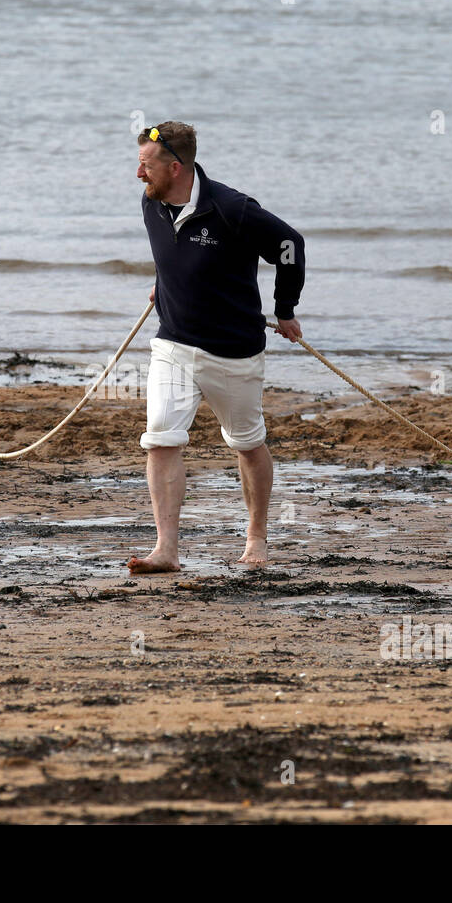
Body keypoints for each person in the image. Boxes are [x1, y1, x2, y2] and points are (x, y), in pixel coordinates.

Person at [128, 121, 304, 574]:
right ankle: (166, 549)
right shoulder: (151, 203)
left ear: (176, 166)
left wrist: (284, 309)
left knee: (247, 444)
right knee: (161, 440)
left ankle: (257, 536)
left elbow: (289, 244)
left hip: (234, 351)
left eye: (146, 165)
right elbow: (176, 252)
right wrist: (163, 283)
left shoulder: (232, 209)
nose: (138, 174)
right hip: (173, 343)